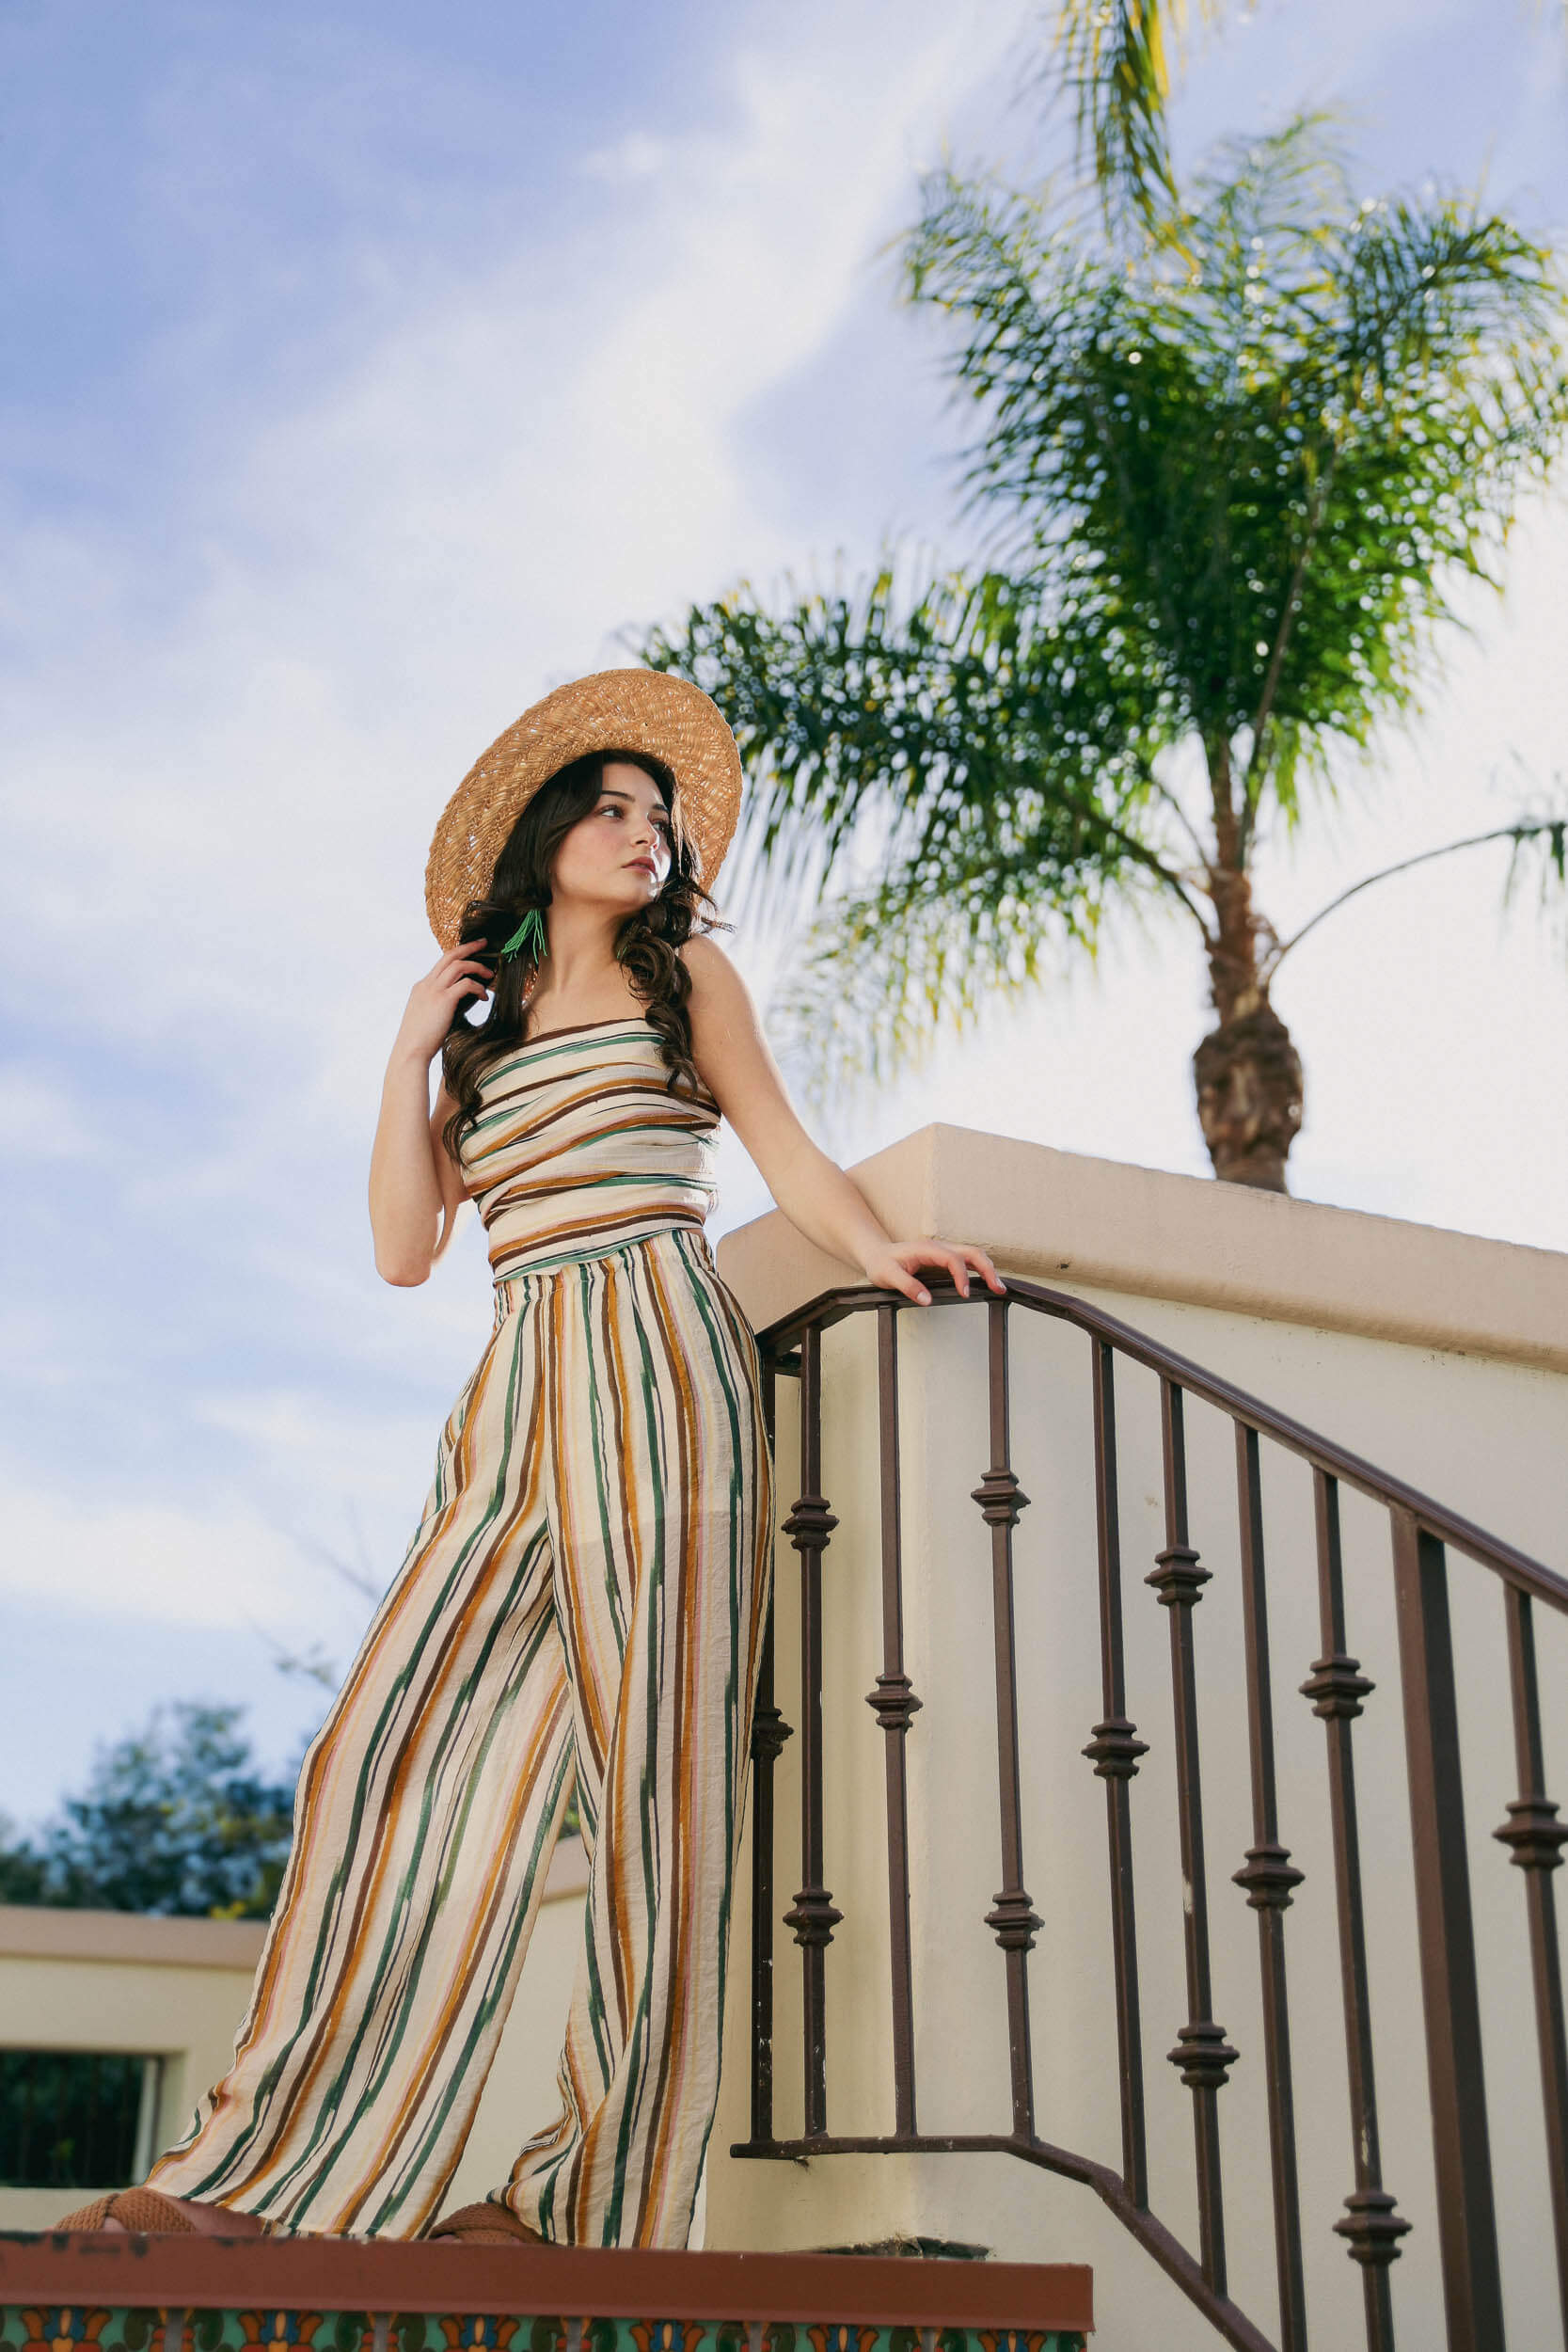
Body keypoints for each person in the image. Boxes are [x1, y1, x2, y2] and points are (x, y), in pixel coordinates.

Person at [57, 668, 1002, 2249]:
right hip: (515, 1392)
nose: (645, 836)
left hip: (663, 1356)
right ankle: (260, 2181)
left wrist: (884, 1251)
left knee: (660, 1789)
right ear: (547, 835)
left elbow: (780, 1144)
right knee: (384, 1751)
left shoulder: (683, 975)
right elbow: (403, 1249)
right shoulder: (481, 1044)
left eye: (660, 817)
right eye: (614, 811)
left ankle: (586, 2205)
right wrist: (408, 1053)